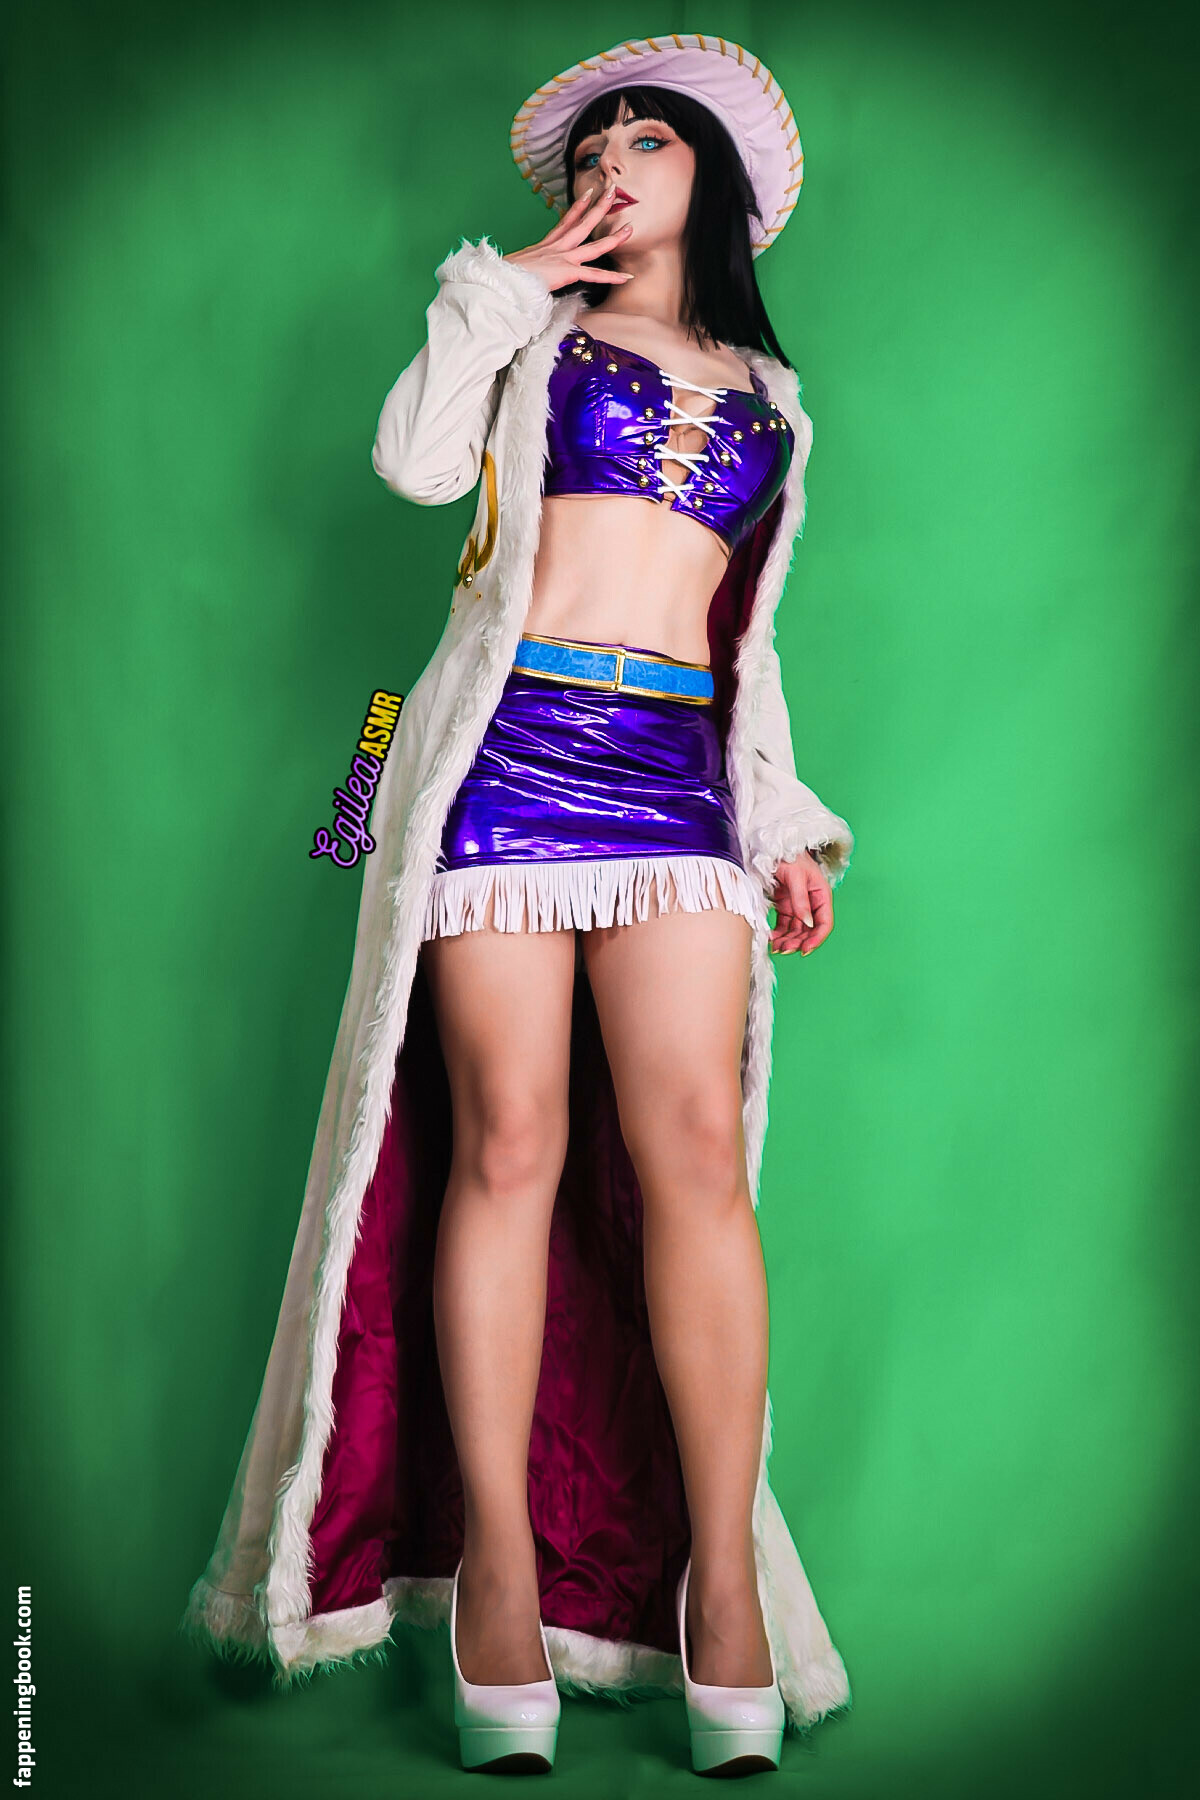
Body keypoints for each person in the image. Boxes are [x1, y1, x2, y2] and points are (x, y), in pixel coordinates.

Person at [181, 33, 855, 1779]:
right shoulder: (527, 338)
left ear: (715, 181)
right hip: (501, 759)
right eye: (594, 147)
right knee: (506, 1144)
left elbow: (749, 642)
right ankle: (495, 1572)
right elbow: (415, 467)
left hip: (678, 782)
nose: (614, 161)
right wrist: (508, 281)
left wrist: (785, 823)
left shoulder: (773, 401)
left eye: (650, 141)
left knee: (693, 1153)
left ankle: (723, 1593)